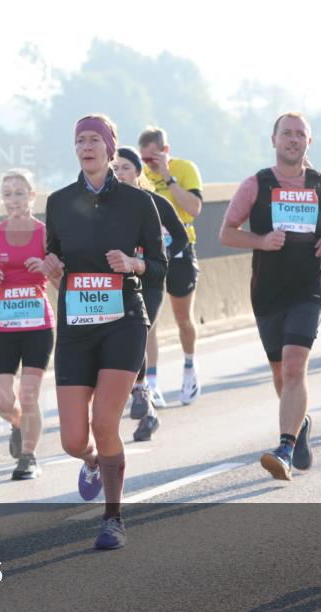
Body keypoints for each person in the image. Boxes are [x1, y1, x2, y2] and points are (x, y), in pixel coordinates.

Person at [43, 114, 166, 549]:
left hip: (124, 323)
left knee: (104, 420)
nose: (87, 146)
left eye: (95, 139)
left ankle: (113, 518)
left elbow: (159, 267)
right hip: (76, 326)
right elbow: (54, 261)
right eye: (80, 140)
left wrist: (134, 265)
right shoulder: (58, 202)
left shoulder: (137, 203)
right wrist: (51, 267)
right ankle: (92, 461)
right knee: (74, 439)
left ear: (110, 148)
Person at [220, 113, 321, 481]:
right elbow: (226, 233)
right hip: (268, 293)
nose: (292, 139)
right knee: (280, 372)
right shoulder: (256, 184)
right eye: (286, 133)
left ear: (309, 142)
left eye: (299, 134)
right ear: (273, 139)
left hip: (308, 289)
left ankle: (285, 446)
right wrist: (260, 241)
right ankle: (300, 424)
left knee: (293, 365)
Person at [0, 169, 54, 480]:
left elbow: (60, 274)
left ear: (32, 196)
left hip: (37, 324)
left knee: (29, 394)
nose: (13, 200)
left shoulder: (46, 233)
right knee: (3, 400)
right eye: (7, 194)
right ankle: (17, 423)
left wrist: (47, 266)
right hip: (3, 326)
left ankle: (29, 457)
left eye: (19, 193)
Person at [112, 147, 189, 441]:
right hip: (118, 282)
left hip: (152, 281)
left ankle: (141, 388)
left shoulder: (155, 202)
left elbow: (180, 236)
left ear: (138, 171)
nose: (119, 173)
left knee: (138, 332)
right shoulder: (106, 206)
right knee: (121, 341)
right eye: (115, 168)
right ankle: (149, 414)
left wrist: (161, 257)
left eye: (125, 168)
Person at [138, 127, 203, 406]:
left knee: (182, 318)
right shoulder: (139, 175)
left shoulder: (185, 168)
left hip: (180, 249)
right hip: (150, 254)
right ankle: (151, 381)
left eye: (153, 158)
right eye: (144, 159)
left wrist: (168, 178)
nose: (148, 164)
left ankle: (189, 365)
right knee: (148, 320)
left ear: (165, 151)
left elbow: (195, 207)